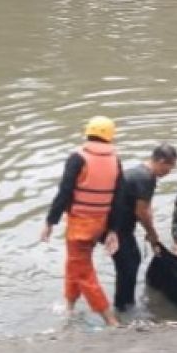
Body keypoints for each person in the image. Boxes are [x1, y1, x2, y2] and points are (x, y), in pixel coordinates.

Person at [40, 116, 123, 327]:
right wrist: (113, 229)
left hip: (80, 226)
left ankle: (110, 320)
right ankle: (69, 307)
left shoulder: (78, 157)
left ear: (88, 133)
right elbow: (118, 197)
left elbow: (65, 191)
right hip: (99, 224)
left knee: (84, 271)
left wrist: (50, 222)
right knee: (74, 263)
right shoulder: (115, 160)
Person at [110, 143, 177, 312]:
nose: (168, 173)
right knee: (128, 265)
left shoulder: (142, 173)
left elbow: (146, 208)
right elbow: (141, 212)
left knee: (132, 261)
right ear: (161, 161)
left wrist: (151, 233)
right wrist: (153, 234)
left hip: (118, 225)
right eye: (169, 168)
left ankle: (125, 303)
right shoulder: (145, 178)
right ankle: (123, 307)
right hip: (116, 228)